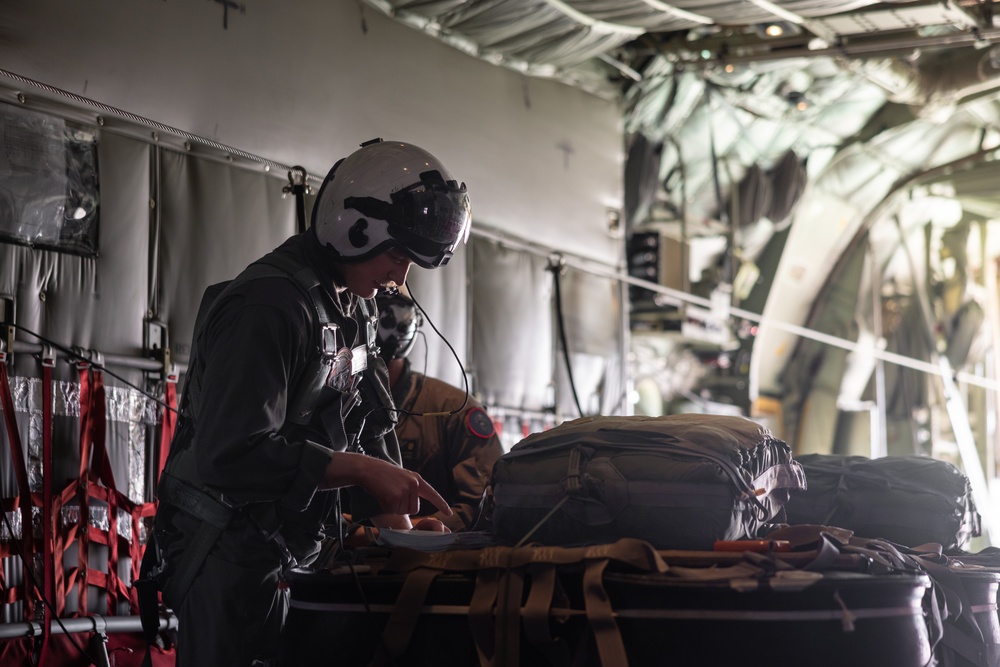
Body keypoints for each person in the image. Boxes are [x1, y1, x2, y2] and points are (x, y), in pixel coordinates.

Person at [147, 138, 472, 666]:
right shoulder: (270, 308)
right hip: (227, 555)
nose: (399, 279)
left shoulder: (349, 303)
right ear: (355, 227)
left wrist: (400, 526)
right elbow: (231, 454)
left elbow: (369, 419)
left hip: (288, 554)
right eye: (397, 256)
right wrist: (360, 472)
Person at [373, 290, 503, 532]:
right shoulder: (337, 404)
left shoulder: (453, 410)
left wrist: (417, 531)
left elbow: (485, 503)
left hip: (429, 560)